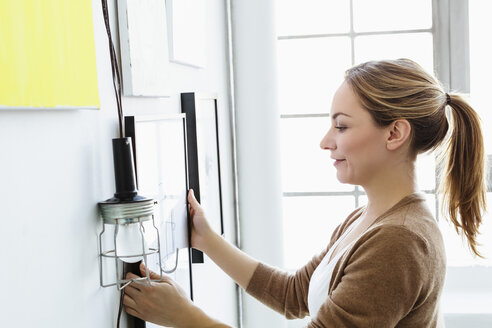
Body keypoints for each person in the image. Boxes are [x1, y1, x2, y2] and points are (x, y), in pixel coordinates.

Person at [122, 58, 487, 327]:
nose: (326, 142)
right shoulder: (368, 217)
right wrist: (207, 240)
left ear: (395, 134)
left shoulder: (401, 241)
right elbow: (294, 294)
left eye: (341, 126)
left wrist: (186, 318)